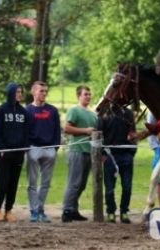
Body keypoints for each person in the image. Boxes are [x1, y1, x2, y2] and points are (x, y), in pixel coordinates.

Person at [0, 82, 29, 222]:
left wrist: (24, 148)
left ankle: (9, 210)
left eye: (20, 91)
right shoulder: (2, 109)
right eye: (17, 91)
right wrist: (0, 148)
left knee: (13, 183)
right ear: (11, 92)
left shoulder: (23, 111)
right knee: (2, 183)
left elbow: (26, 132)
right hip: (4, 153)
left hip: (18, 153)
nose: (20, 94)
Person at [25, 81, 61, 223]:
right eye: (41, 91)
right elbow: (25, 131)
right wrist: (28, 147)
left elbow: (57, 130)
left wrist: (55, 148)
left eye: (45, 91)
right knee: (31, 183)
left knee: (45, 183)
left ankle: (40, 209)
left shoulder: (52, 110)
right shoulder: (27, 110)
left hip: (49, 149)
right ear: (33, 92)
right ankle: (33, 210)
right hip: (33, 148)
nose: (44, 93)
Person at [62, 85, 97, 222]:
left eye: (89, 94)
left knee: (81, 184)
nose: (88, 96)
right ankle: (66, 210)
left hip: (88, 152)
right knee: (74, 182)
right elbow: (67, 128)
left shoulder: (92, 114)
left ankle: (73, 209)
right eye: (85, 94)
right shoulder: (74, 110)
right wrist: (85, 131)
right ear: (79, 96)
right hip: (76, 150)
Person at [98, 106, 136, 224]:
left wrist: (131, 153)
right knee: (109, 189)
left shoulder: (129, 113)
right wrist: (103, 155)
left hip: (126, 156)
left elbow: (133, 134)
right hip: (110, 156)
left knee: (127, 187)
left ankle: (124, 211)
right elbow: (99, 135)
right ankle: (110, 212)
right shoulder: (105, 114)